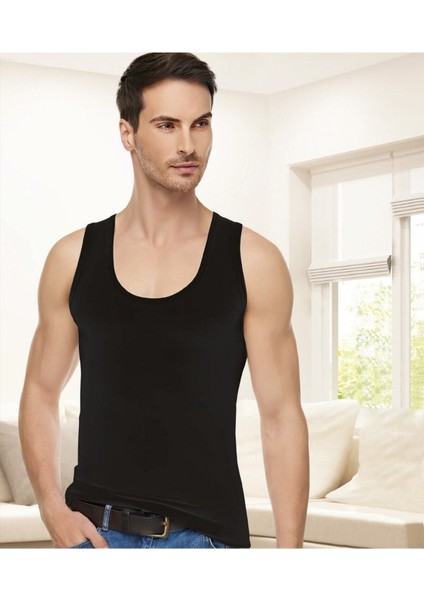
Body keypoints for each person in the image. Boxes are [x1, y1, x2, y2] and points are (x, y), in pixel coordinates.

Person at [18, 52, 309, 549]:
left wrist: (290, 557)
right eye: (167, 125)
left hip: (206, 541)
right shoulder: (72, 258)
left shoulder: (253, 261)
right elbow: (41, 392)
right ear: (128, 134)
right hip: (94, 537)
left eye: (201, 124)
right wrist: (51, 508)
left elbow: (281, 418)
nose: (188, 145)